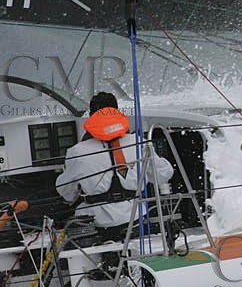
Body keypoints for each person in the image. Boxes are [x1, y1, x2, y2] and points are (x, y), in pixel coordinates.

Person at [56, 92, 175, 243]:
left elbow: (65, 192)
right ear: (117, 112)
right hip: (135, 220)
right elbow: (164, 174)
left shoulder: (77, 152)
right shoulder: (139, 142)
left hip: (96, 226)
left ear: (91, 116)